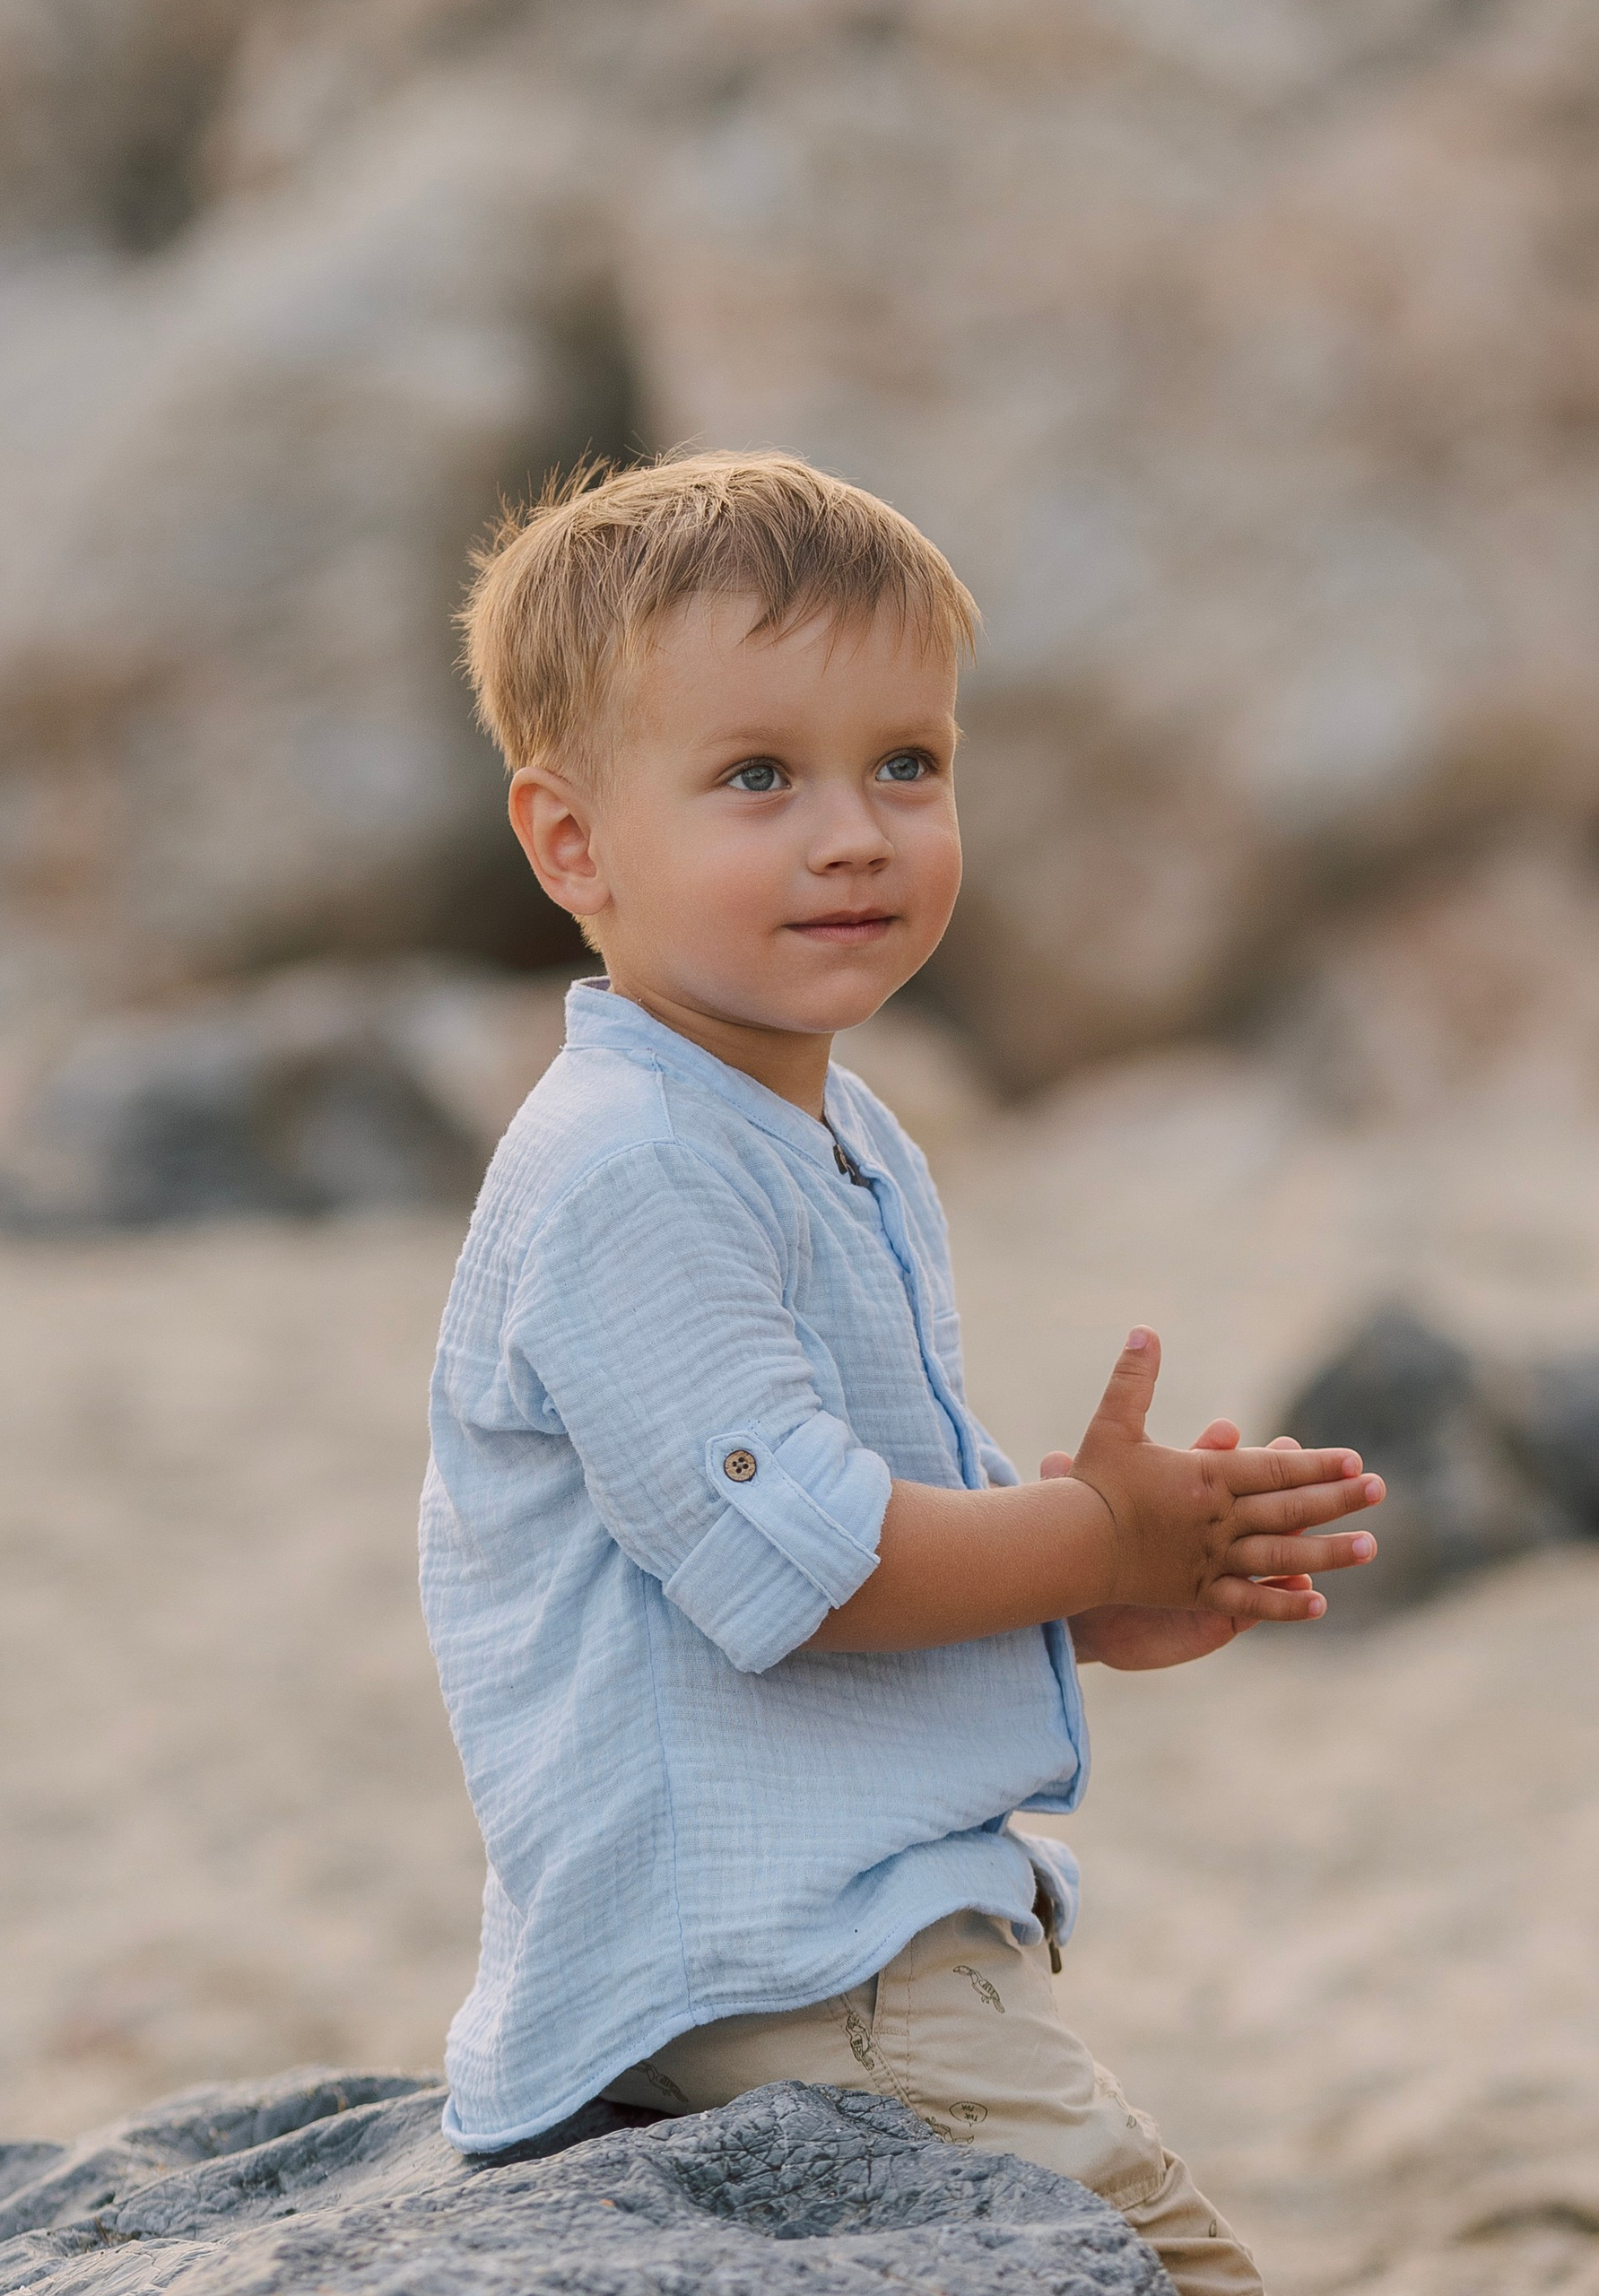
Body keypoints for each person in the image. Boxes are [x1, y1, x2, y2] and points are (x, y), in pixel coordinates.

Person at [420, 449, 1384, 2294]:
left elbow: (796, 1548)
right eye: (757, 775)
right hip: (784, 1957)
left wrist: (1088, 1598)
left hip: (832, 1938)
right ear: (571, 845)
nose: (851, 829)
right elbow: (822, 1568)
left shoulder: (815, 1122)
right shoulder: (631, 1165)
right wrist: (1090, 1536)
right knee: (1161, 2257)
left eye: (907, 764)